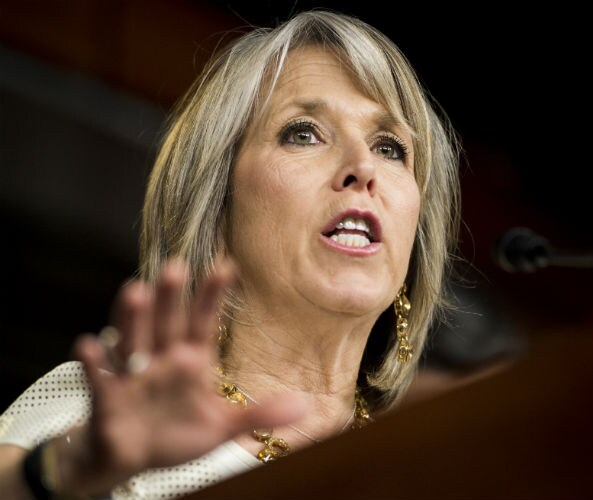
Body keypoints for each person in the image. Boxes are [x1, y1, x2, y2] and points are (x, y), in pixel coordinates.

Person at [0, 9, 460, 499]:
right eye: (303, 133)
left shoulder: (438, 457)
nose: (363, 166)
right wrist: (70, 467)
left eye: (390, 148)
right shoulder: (105, 410)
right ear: (217, 209)